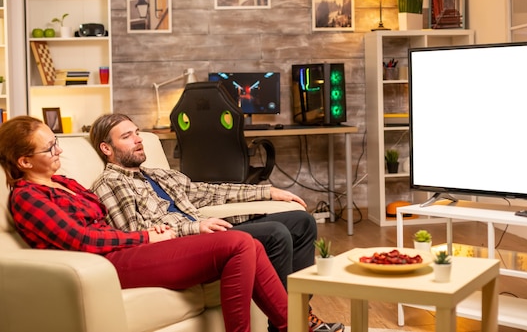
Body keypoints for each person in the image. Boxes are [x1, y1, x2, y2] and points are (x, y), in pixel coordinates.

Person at [0, 116, 288, 332]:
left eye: (56, 142)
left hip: (125, 250)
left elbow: (105, 224)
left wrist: (153, 232)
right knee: (237, 242)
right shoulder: (28, 198)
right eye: (49, 148)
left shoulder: (63, 182)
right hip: (105, 264)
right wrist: (145, 237)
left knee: (249, 243)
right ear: (24, 162)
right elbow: (83, 240)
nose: (58, 151)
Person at [89, 113, 344, 332]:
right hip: (187, 244)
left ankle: (301, 314)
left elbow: (209, 192)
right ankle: (290, 324)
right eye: (126, 136)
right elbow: (136, 235)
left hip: (210, 230)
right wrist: (192, 227)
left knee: (302, 221)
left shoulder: (159, 175)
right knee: (276, 233)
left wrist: (267, 191)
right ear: (106, 149)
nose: (138, 139)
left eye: (136, 133)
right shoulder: (110, 183)